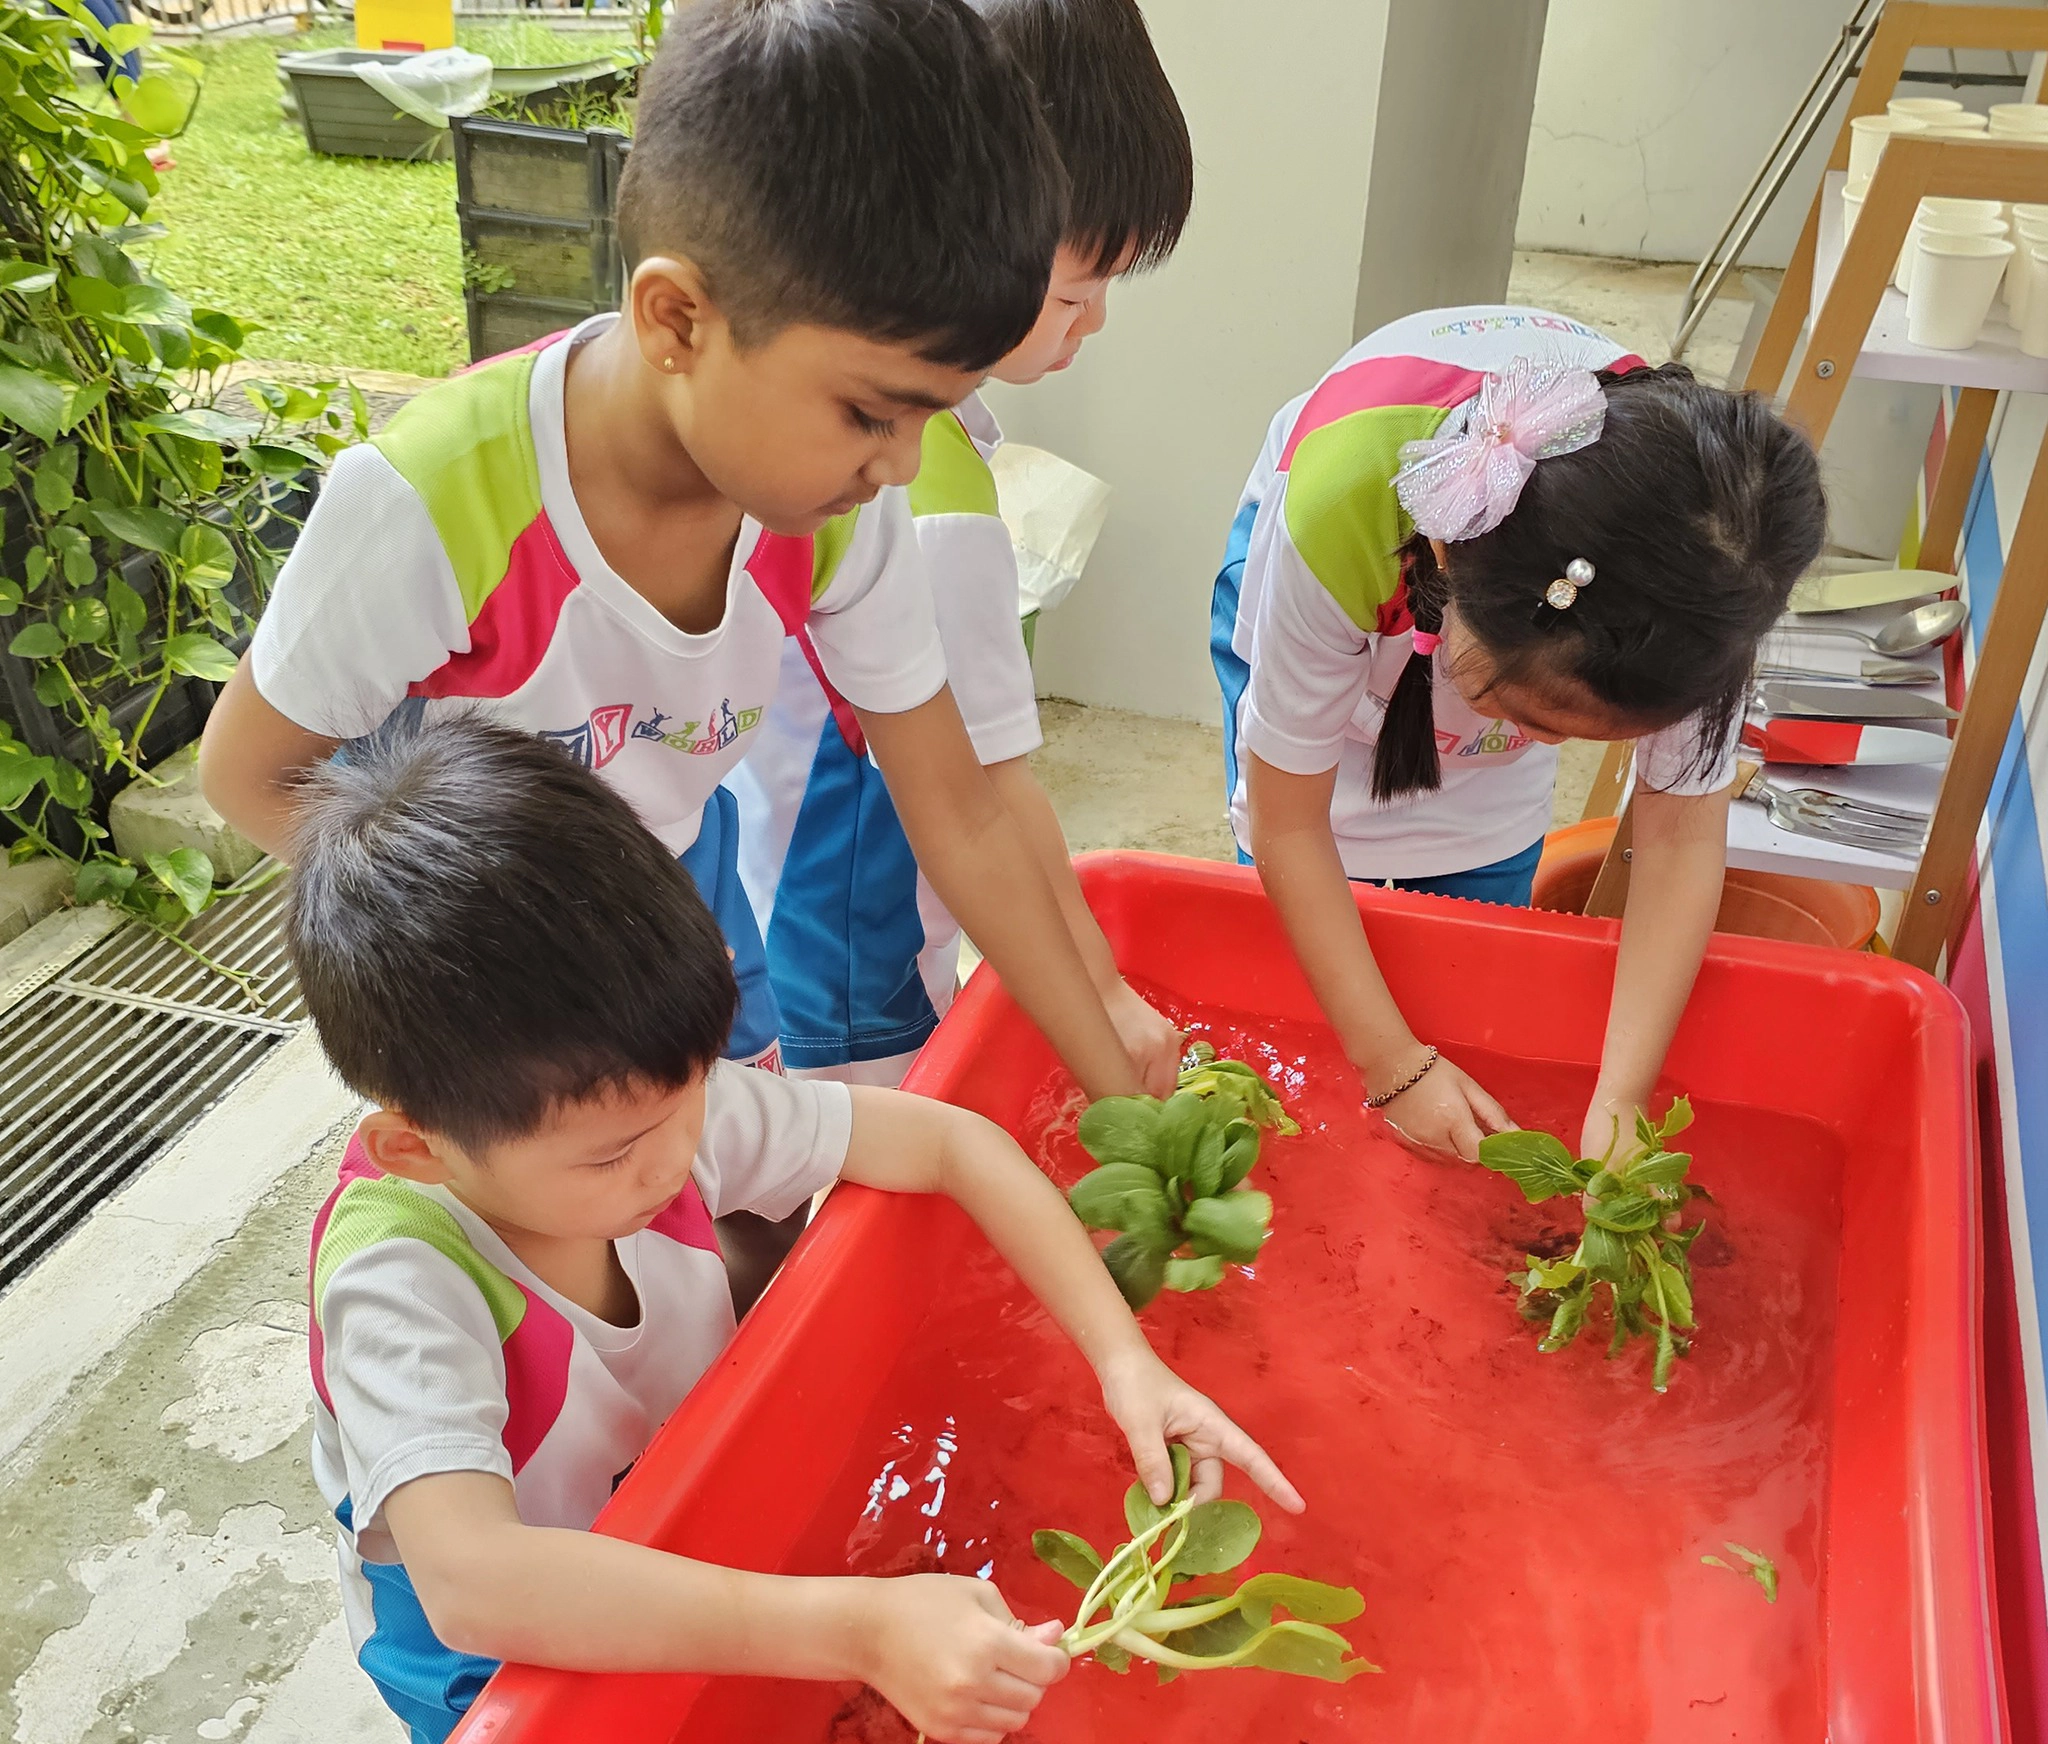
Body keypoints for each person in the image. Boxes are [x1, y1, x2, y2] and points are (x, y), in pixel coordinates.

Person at [197, 0, 1165, 1310]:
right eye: (870, 413)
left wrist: (1119, 1097)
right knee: (553, 1268)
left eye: (928, 418)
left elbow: (965, 810)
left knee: (741, 1203)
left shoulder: (841, 514)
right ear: (677, 320)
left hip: (680, 891)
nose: (898, 466)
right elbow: (247, 774)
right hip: (500, 969)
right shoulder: (435, 504)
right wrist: (471, 962)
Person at [290, 717, 1301, 1744]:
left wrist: (1125, 1361)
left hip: (666, 1506)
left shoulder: (647, 1109)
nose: (674, 1163)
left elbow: (952, 1144)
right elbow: (477, 1585)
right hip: (494, 1667)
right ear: (417, 1147)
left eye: (688, 1095)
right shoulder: (400, 1281)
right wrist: (858, 1629)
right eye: (615, 1154)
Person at [1213, 304, 1826, 1163]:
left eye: (1578, 736)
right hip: (1352, 573)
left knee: (1478, 909)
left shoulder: (1697, 600)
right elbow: (1287, 825)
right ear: (1448, 563)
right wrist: (1392, 1065)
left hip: (1512, 619)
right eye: (1529, 716)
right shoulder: (1336, 514)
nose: (1545, 747)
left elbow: (1682, 835)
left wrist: (1621, 1098)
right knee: (1303, 952)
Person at [732, 0, 1192, 1088]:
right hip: (856, 952)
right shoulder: (926, 496)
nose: (1094, 322)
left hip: (784, 910)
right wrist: (1101, 995)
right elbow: (987, 798)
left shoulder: (852, 431)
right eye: (1078, 292)